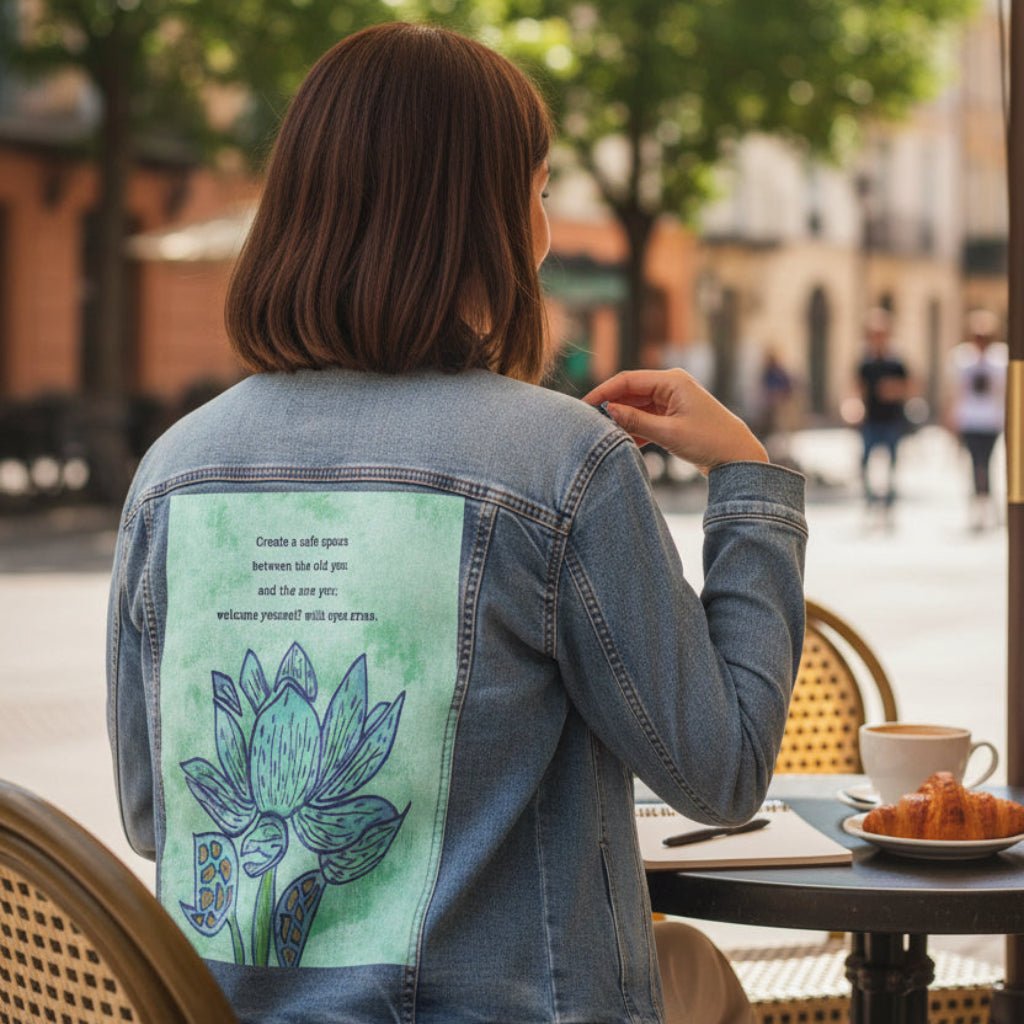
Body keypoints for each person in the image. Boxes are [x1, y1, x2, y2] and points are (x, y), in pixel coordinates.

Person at [106, 23, 805, 1024]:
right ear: (484, 218)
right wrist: (748, 478)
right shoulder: (559, 459)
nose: (547, 225)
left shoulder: (171, 472)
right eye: (540, 190)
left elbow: (150, 812)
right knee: (689, 968)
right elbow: (723, 772)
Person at [948, 309, 1008, 531]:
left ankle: (989, 506)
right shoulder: (962, 359)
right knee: (975, 464)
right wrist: (952, 420)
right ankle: (978, 507)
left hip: (991, 421)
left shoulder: (1000, 359)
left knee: (988, 463)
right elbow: (955, 391)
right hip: (970, 420)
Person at [856, 308, 910, 520]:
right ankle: (870, 500)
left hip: (892, 419)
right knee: (865, 463)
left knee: (891, 464)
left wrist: (893, 390)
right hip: (870, 419)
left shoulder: (896, 362)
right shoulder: (865, 362)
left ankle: (889, 502)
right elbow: (856, 388)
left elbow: (910, 387)